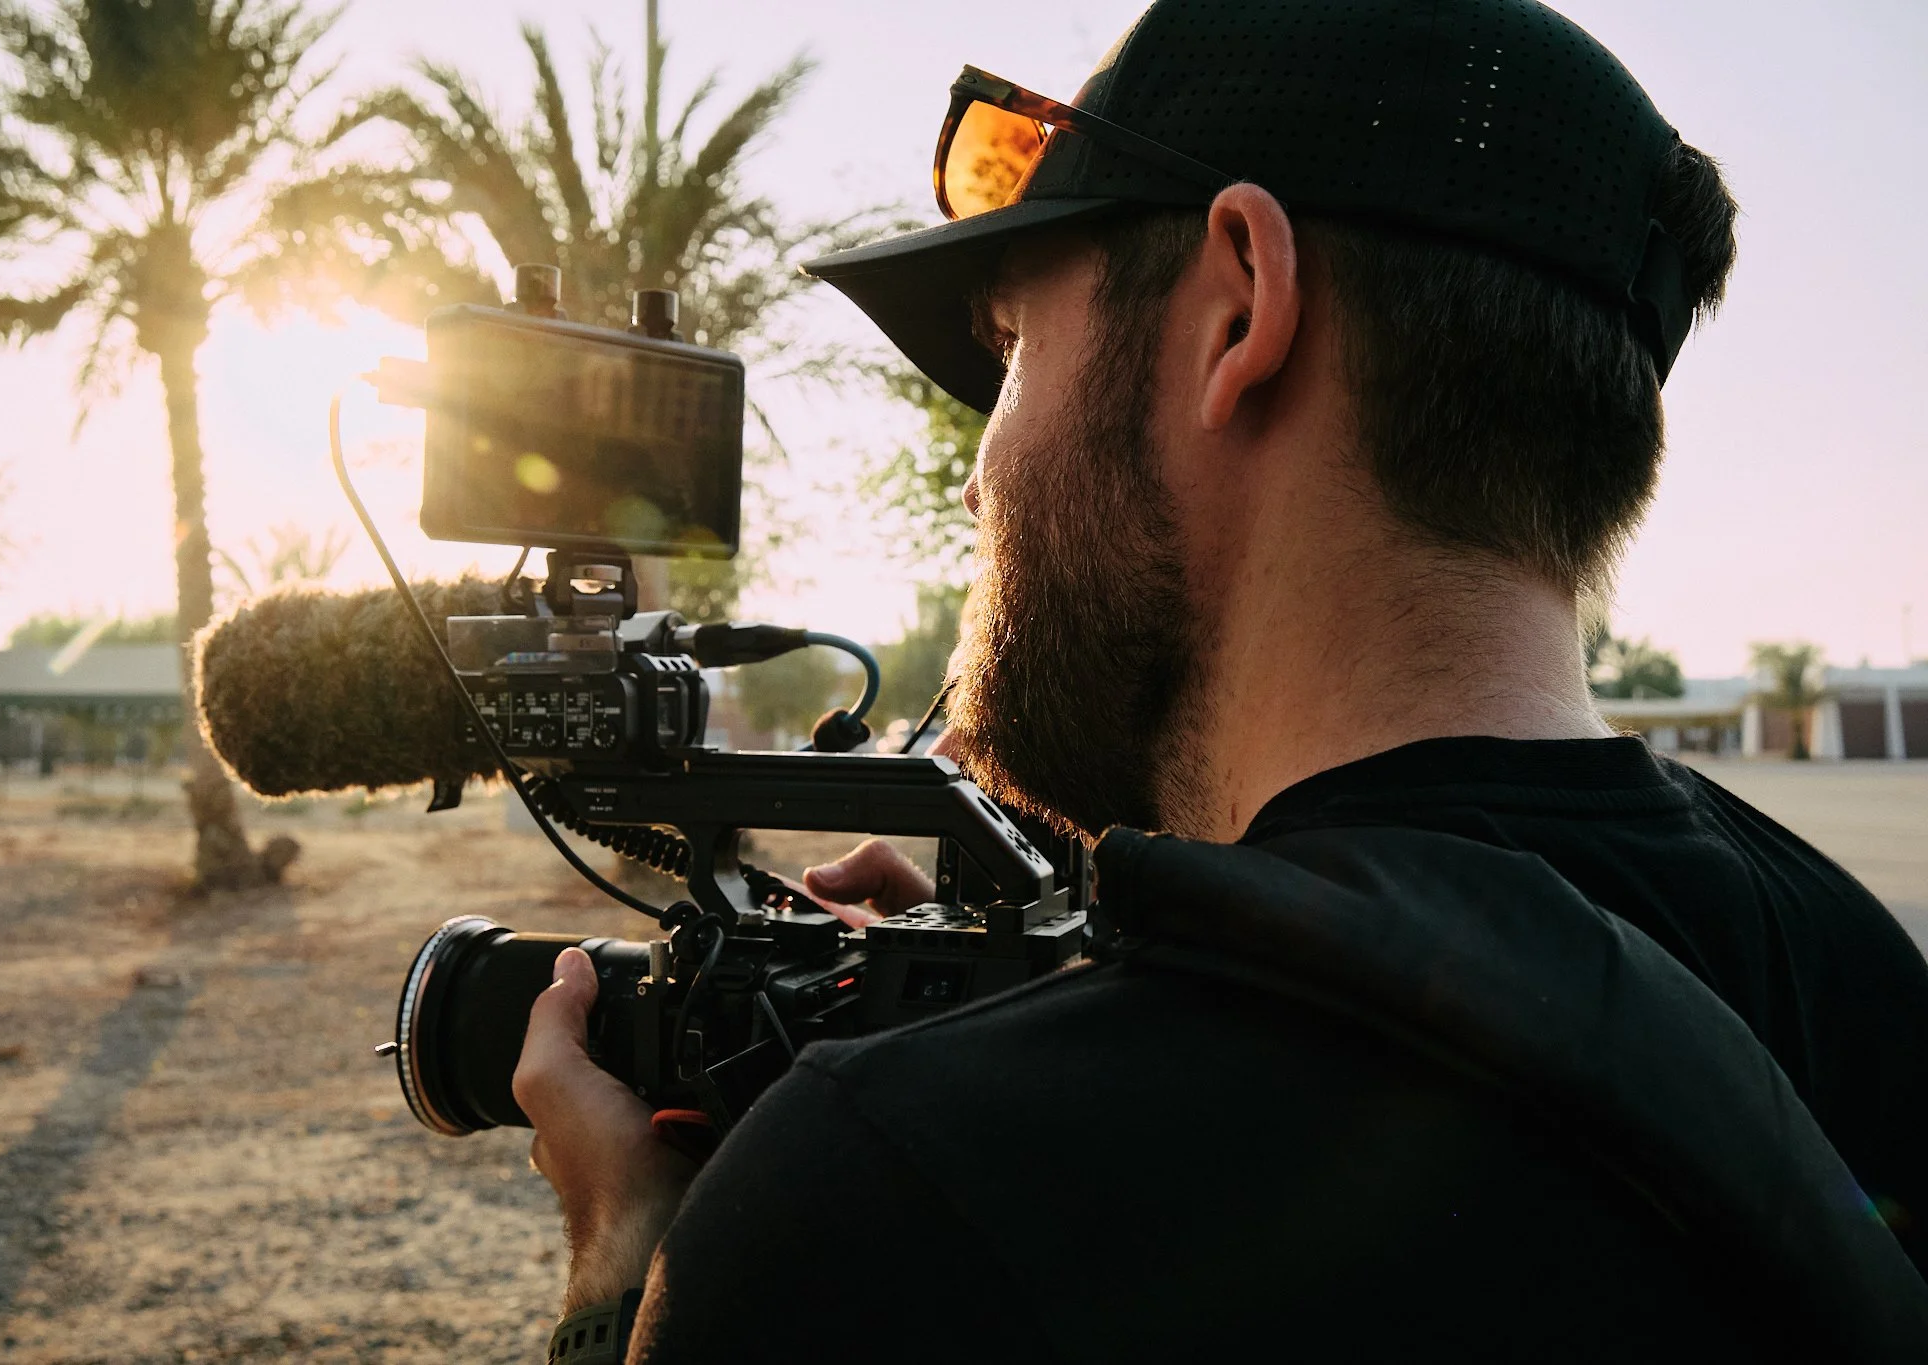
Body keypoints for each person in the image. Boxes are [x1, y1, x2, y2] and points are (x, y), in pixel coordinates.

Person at [512, 1, 1928, 1358]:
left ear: (1239, 309)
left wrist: (625, 1274)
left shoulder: (892, 1199)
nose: (973, 477)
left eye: (1013, 353)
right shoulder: (1863, 990)